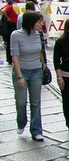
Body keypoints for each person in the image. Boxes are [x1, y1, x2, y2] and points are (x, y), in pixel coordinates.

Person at [11, 11, 46, 141]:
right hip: (21, 71)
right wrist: (19, 76)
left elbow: (40, 51)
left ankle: (36, 130)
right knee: (21, 102)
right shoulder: (16, 35)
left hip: (36, 70)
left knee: (35, 102)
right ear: (31, 23)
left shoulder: (39, 34)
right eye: (39, 22)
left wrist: (44, 65)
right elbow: (15, 56)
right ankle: (21, 122)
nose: (41, 24)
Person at [2, 0, 19, 64]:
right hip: (11, 26)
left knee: (10, 42)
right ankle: (10, 58)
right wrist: (8, 18)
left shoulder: (8, 6)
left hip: (11, 25)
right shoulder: (9, 7)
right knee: (10, 42)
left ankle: (10, 58)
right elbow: (3, 11)